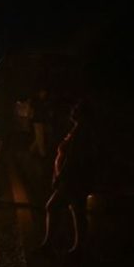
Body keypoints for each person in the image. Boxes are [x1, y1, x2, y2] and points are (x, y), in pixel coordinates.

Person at [39, 102, 94, 257]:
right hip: (71, 178)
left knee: (61, 208)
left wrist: (60, 176)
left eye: (76, 110)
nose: (72, 111)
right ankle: (73, 247)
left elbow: (72, 158)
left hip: (73, 179)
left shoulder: (81, 132)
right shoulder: (77, 130)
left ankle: (75, 248)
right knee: (75, 211)